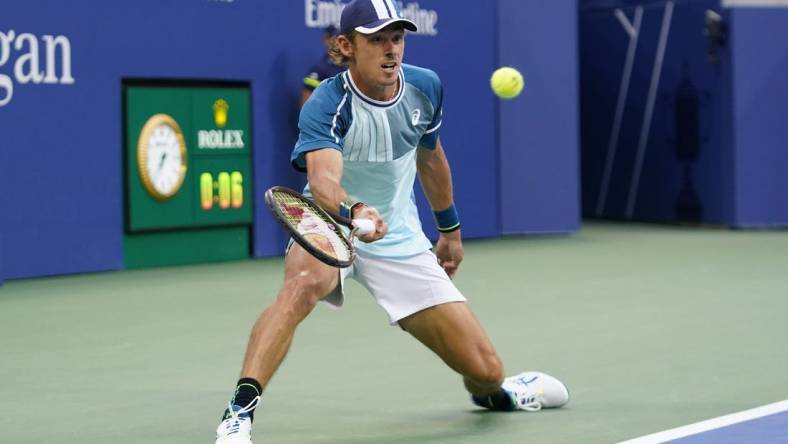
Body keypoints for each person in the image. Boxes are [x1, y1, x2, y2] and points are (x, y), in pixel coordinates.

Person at [214, 1, 569, 442]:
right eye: (376, 39)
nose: (390, 50)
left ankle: (500, 395)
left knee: (486, 369)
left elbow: (431, 157)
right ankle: (238, 414)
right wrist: (355, 211)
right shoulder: (327, 101)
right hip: (329, 222)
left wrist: (450, 230)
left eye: (397, 38)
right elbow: (324, 183)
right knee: (301, 286)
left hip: (399, 236)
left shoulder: (425, 87)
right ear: (346, 46)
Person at [299, 25, 345, 109]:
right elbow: (306, 103)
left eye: (340, 38)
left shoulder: (351, 66)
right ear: (325, 40)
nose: (337, 42)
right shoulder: (318, 70)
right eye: (333, 37)